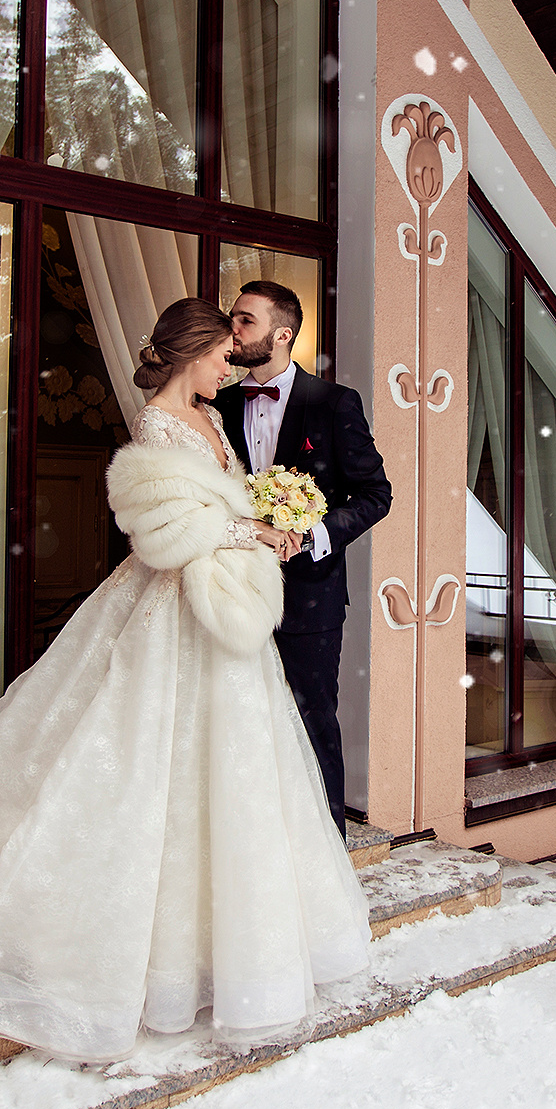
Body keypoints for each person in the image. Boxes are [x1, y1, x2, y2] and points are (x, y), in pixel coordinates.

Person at [0, 298, 371, 1063]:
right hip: (167, 616)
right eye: (221, 352)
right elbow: (164, 533)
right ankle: (115, 953)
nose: (229, 363)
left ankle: (216, 951)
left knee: (235, 780)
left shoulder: (212, 417)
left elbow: (222, 500)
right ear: (192, 350)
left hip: (226, 620)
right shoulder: (157, 428)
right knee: (135, 770)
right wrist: (250, 528)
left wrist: (273, 519)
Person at [210, 281, 391, 823]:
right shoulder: (215, 403)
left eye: (244, 320)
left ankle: (326, 851)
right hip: (231, 589)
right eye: (232, 319)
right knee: (235, 721)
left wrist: (313, 534)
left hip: (309, 597)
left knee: (313, 723)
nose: (232, 330)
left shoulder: (334, 403)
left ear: (281, 334)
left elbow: (375, 494)